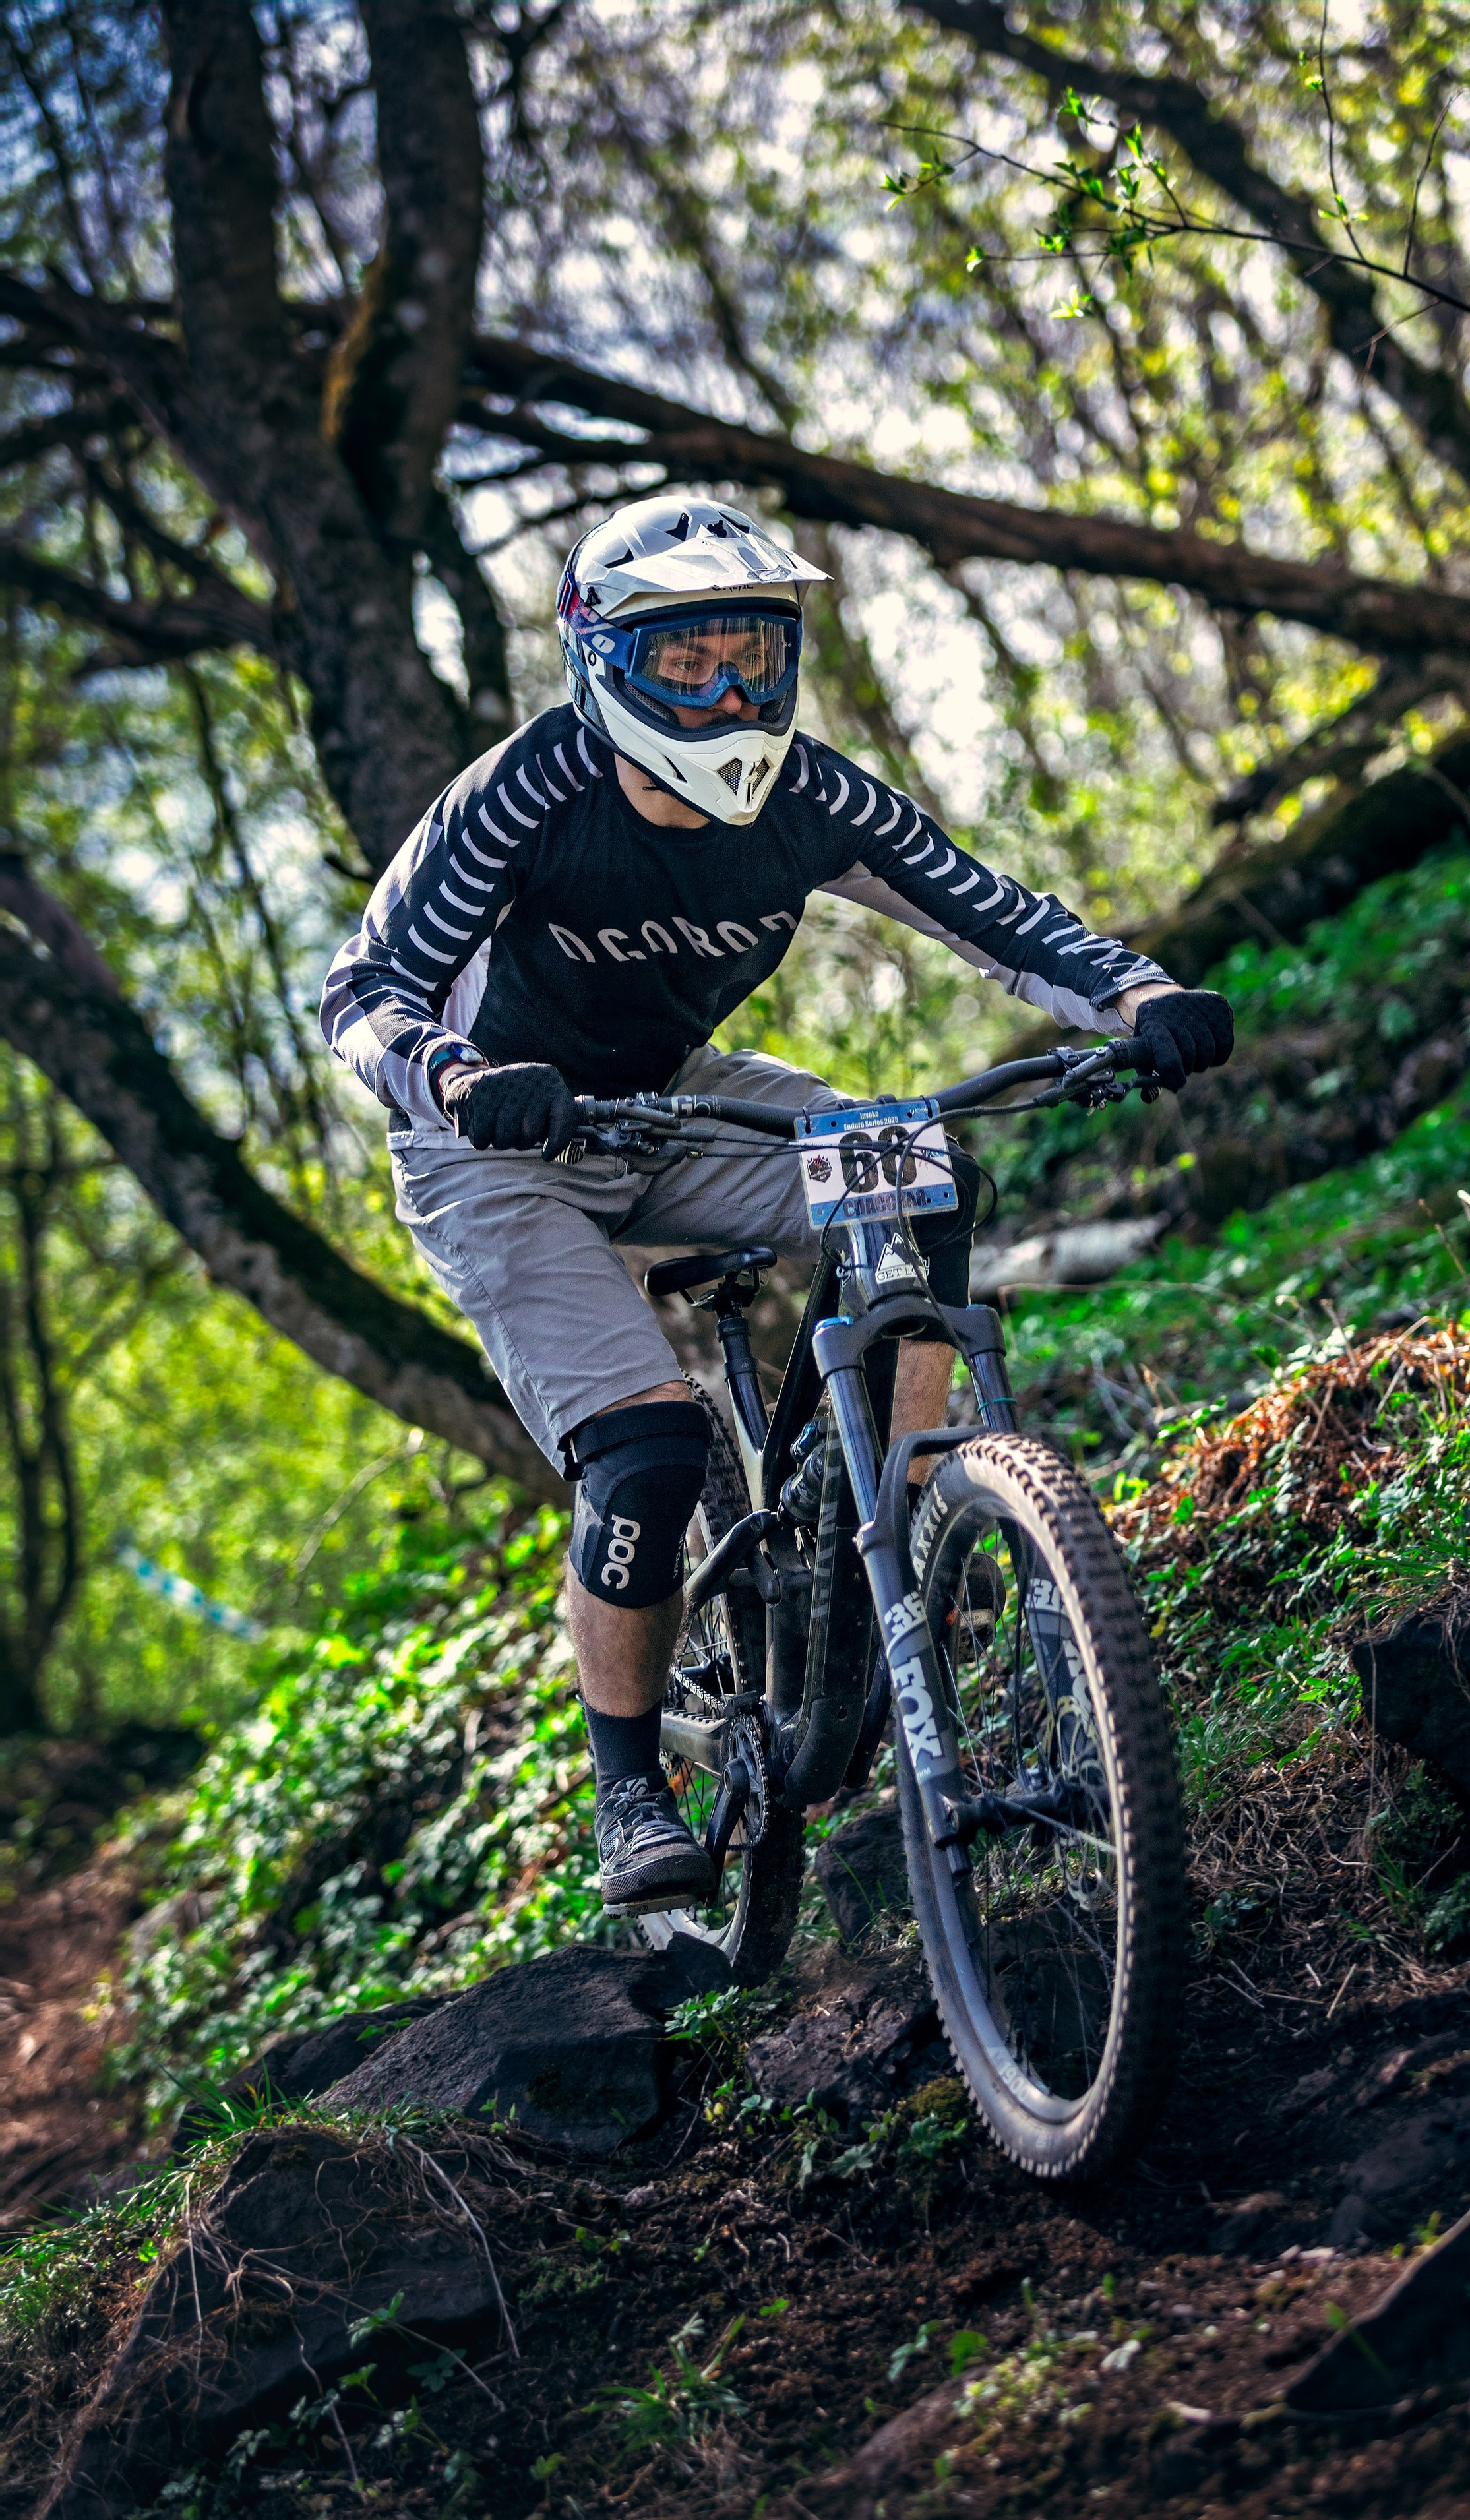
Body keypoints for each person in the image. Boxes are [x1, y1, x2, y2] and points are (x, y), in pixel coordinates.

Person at [321, 495, 1233, 1915]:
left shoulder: (812, 797)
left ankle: (910, 1496)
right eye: (686, 663)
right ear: (601, 659)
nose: (730, 692)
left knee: (922, 1168)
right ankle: (630, 1785)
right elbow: (361, 995)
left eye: (753, 652)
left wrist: (1140, 996)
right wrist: (456, 1075)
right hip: (492, 1149)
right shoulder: (526, 790)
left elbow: (990, 913)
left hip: (675, 1102)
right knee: (641, 1453)